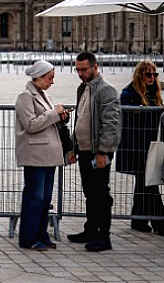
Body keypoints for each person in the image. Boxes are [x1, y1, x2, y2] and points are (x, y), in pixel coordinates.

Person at [67, 52, 121, 252]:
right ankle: (90, 230)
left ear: (95, 67)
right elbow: (81, 120)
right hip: (84, 151)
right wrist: (74, 148)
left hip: (98, 152)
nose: (80, 73)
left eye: (84, 69)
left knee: (100, 193)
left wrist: (103, 152)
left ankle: (103, 236)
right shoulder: (83, 89)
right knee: (90, 192)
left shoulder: (106, 90)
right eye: (78, 70)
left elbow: (111, 124)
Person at [14, 60, 66, 251]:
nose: (52, 82)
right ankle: (28, 237)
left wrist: (60, 116)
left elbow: (46, 121)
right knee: (34, 198)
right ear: (39, 77)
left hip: (48, 155)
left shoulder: (43, 95)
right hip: (35, 155)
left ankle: (41, 234)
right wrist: (54, 113)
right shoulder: (25, 97)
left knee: (44, 199)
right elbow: (31, 125)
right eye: (50, 78)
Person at [117, 60, 164, 234]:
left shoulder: (153, 93)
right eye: (148, 74)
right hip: (137, 147)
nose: (152, 78)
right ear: (140, 75)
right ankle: (160, 223)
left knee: (144, 184)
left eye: (154, 74)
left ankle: (138, 220)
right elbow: (130, 119)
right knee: (149, 185)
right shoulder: (129, 94)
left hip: (150, 146)